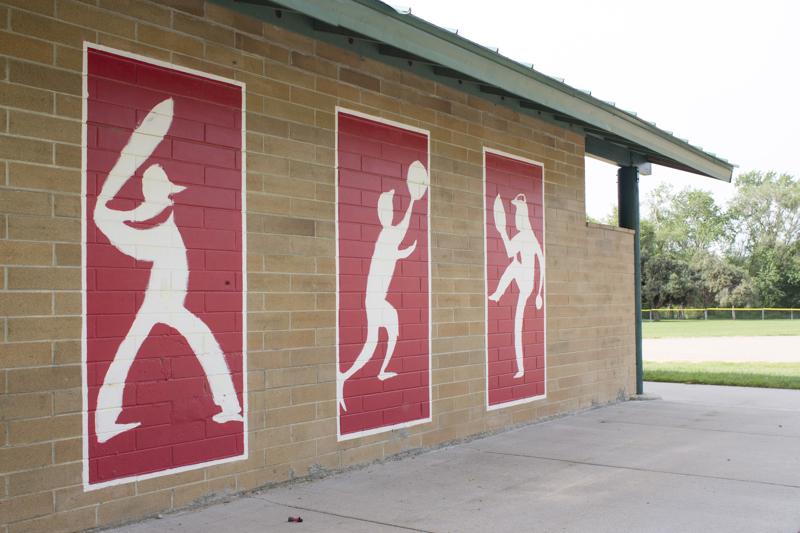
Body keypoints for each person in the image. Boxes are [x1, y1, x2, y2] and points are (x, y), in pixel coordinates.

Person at [93, 98, 243, 443]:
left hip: (167, 301)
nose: (150, 189)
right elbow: (131, 226)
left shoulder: (163, 217)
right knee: (129, 355)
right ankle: (105, 421)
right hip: (160, 301)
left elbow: (136, 226)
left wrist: (107, 214)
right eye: (149, 185)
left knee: (197, 346)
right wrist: (108, 215)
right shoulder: (155, 216)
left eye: (155, 185)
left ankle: (229, 407)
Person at [338, 161, 428, 412]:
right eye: (387, 209)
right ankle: (344, 377)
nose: (389, 213)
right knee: (371, 342)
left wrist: (404, 251)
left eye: (390, 208)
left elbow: (399, 239)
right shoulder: (386, 234)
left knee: (392, 331)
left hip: (378, 299)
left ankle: (380, 370)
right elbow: (403, 230)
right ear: (383, 214)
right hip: (375, 300)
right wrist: (411, 202)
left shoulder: (387, 235)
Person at [488, 193, 545, 378]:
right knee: (517, 325)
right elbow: (540, 262)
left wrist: (502, 232)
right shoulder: (530, 236)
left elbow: (512, 252)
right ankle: (497, 293)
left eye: (517, 217)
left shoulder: (525, 236)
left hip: (526, 283)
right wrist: (539, 293)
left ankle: (497, 293)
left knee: (517, 326)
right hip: (527, 282)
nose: (515, 220)